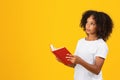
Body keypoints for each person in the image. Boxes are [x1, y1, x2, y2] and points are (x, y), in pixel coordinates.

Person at [58, 10, 113, 80]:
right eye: (87, 22)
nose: (88, 25)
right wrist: (63, 60)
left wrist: (80, 61)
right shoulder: (80, 42)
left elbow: (97, 70)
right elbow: (75, 65)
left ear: (100, 27)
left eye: (92, 23)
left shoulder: (101, 45)